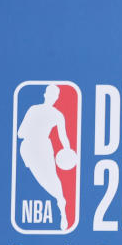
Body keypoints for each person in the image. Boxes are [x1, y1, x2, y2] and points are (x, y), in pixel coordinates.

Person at [17, 84, 72, 230]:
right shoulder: (34, 110)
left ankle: (62, 208)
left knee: (52, 178)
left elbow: (63, 137)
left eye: (55, 95)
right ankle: (61, 202)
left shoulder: (57, 115)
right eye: (51, 94)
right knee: (40, 178)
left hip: (43, 148)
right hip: (28, 149)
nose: (52, 97)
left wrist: (67, 151)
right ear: (46, 95)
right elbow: (19, 133)